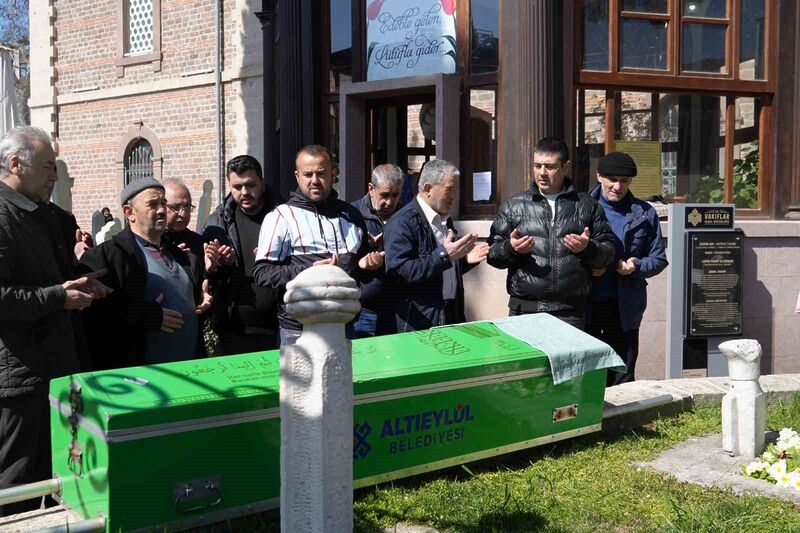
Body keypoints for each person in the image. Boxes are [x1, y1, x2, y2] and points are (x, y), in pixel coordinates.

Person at [0, 126, 110, 516]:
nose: (55, 176)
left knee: (60, 480)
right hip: (21, 380)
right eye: (48, 167)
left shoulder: (47, 216)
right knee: (18, 487)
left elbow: (53, 278)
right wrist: (59, 297)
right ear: (16, 164)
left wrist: (83, 284)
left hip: (59, 370)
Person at [253, 145, 384, 346]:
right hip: (298, 331)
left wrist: (367, 266)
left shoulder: (351, 215)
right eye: (308, 174)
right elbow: (262, 273)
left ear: (334, 174)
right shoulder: (280, 217)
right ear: (297, 176)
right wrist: (309, 271)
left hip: (345, 327)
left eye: (321, 173)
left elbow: (359, 271)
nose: (314, 180)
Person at [79, 178, 211, 369]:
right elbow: (91, 316)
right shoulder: (108, 257)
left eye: (163, 203)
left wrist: (203, 294)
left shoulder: (180, 255)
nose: (161, 210)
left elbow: (197, 299)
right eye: (152, 204)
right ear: (129, 212)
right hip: (138, 380)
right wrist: (144, 316)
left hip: (189, 373)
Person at [486, 137, 616, 330]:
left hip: (571, 312)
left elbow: (609, 253)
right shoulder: (515, 206)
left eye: (549, 166)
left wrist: (587, 249)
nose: (542, 173)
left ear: (565, 167)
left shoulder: (586, 205)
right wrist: (510, 249)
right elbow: (493, 255)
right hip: (525, 311)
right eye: (537, 166)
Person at [588, 151, 667, 385]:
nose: (617, 186)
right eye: (612, 179)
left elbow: (659, 259)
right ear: (599, 176)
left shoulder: (644, 213)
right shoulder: (582, 208)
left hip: (626, 306)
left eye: (624, 181)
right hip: (588, 302)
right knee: (591, 373)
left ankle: (625, 421)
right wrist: (591, 266)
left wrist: (636, 265)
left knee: (623, 372)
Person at [382, 159, 489, 333]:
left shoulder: (444, 220)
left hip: (449, 316)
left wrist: (464, 261)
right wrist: (444, 256)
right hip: (417, 324)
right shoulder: (402, 223)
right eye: (449, 189)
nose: (454, 196)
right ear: (428, 189)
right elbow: (400, 272)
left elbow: (439, 269)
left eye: (455, 189)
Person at [202, 155, 278, 354]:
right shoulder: (217, 222)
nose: (244, 192)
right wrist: (219, 265)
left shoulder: (283, 215)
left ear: (262, 182)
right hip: (234, 330)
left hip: (280, 327)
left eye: (250, 185)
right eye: (237, 187)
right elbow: (207, 276)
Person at [351, 163, 404, 337]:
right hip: (364, 311)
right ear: (371, 189)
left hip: (398, 309)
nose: (389, 202)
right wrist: (367, 250)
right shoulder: (352, 215)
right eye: (384, 195)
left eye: (395, 195)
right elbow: (343, 261)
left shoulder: (405, 215)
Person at [163, 178, 230, 272]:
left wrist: (213, 267)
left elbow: (205, 280)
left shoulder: (198, 242)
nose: (183, 214)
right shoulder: (150, 242)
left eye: (187, 207)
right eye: (176, 207)